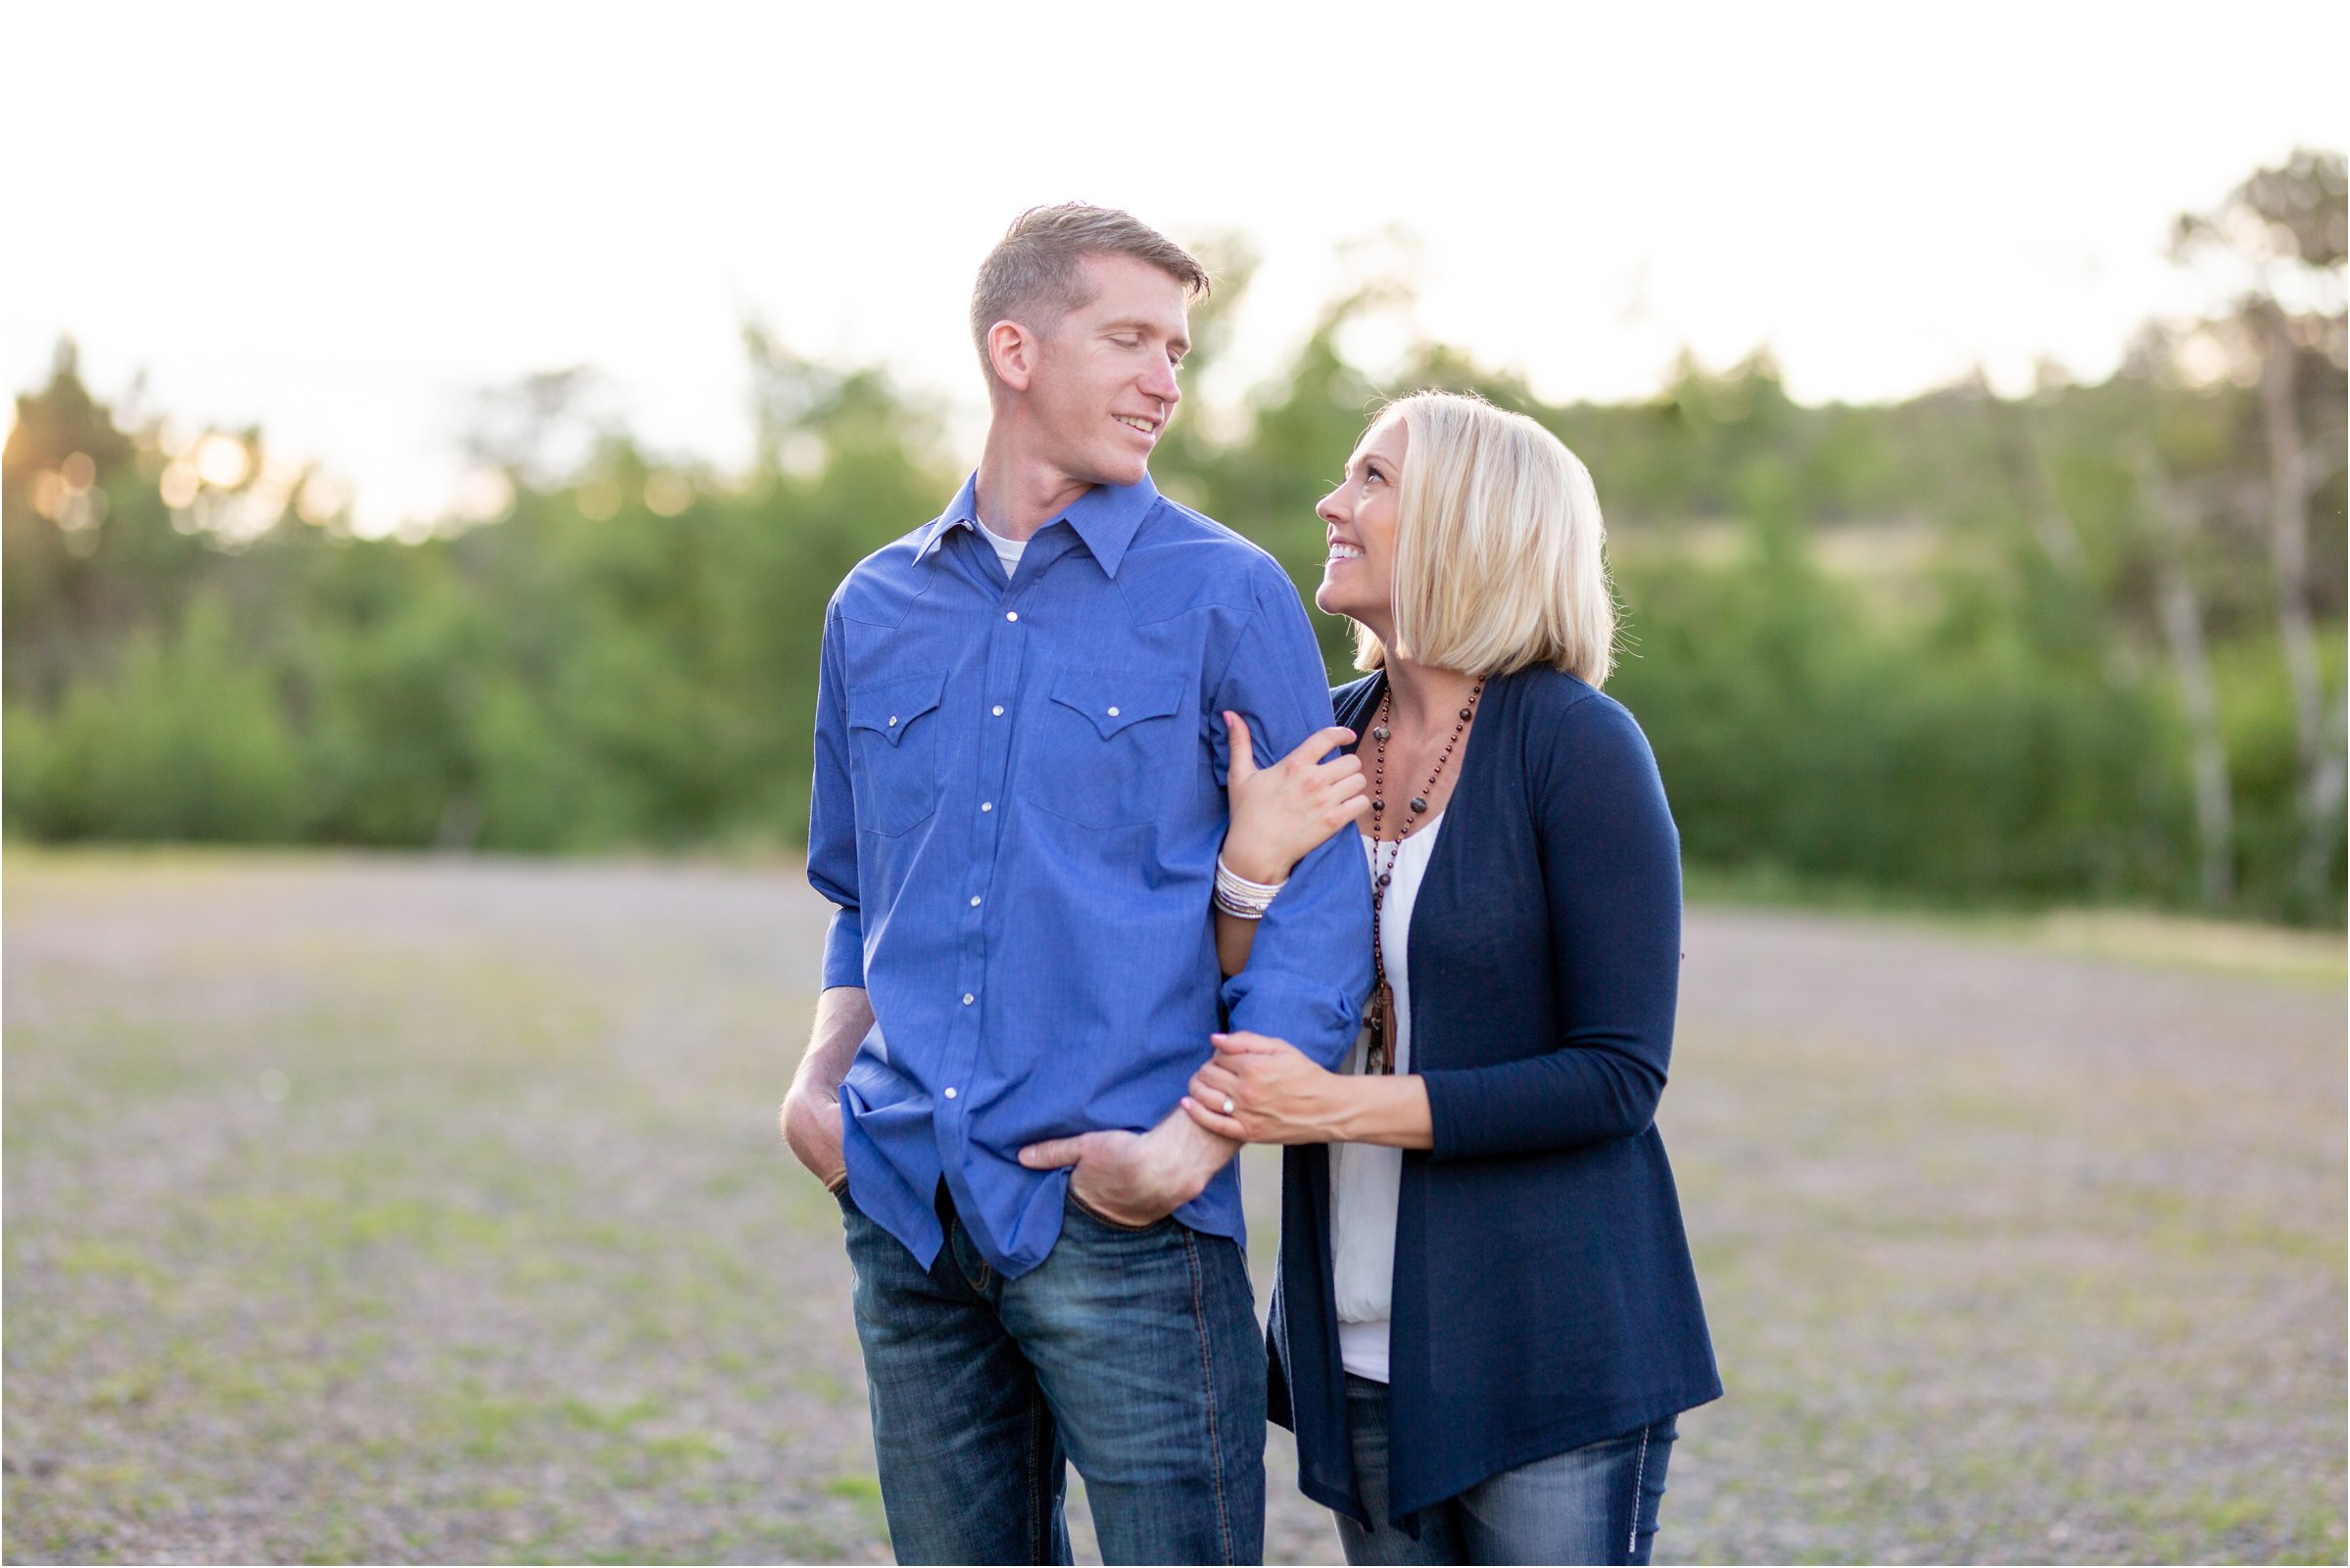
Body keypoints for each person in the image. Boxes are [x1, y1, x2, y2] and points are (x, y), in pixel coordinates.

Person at [779, 204, 1373, 1565]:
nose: (1165, 379)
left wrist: (1194, 1146)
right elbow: (866, 892)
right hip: (910, 1209)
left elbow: (1320, 908)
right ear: (1012, 348)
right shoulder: (871, 607)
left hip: (1128, 1217)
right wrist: (816, 1084)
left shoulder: (1225, 594)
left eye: (1177, 347)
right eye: (1128, 339)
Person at [1186, 391, 1720, 1565]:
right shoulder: (1315, 737)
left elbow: (1616, 1075)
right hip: (1354, 1345)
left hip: (1548, 1347)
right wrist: (1245, 866)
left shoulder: (1574, 744)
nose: (1332, 502)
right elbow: (1219, 999)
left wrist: (1331, 1106)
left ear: (1471, 526)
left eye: (1373, 479)